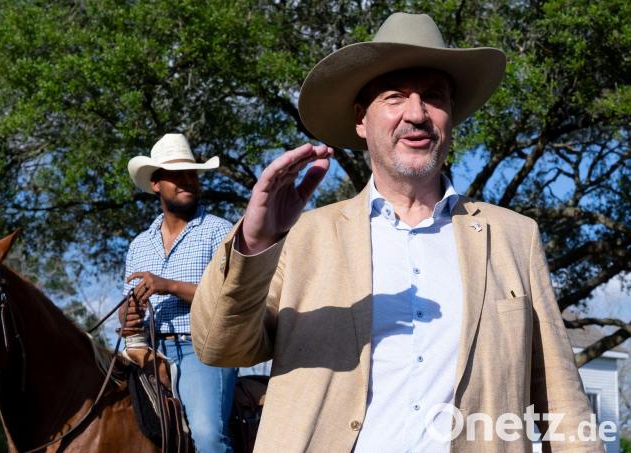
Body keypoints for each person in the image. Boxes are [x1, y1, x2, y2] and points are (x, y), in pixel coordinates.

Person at [190, 12, 601, 453]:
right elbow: (219, 346)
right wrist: (254, 243)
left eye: (434, 97)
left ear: (451, 117)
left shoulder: (513, 237)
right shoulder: (303, 238)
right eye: (394, 97)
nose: (417, 114)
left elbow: (562, 404)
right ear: (361, 120)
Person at [122, 133, 237, 452]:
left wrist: (167, 285)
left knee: (208, 436)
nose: (187, 181)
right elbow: (129, 307)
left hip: (203, 347)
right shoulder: (139, 245)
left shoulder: (219, 231)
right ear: (156, 183)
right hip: (147, 353)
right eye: (176, 175)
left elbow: (229, 297)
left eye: (192, 174)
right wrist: (129, 315)